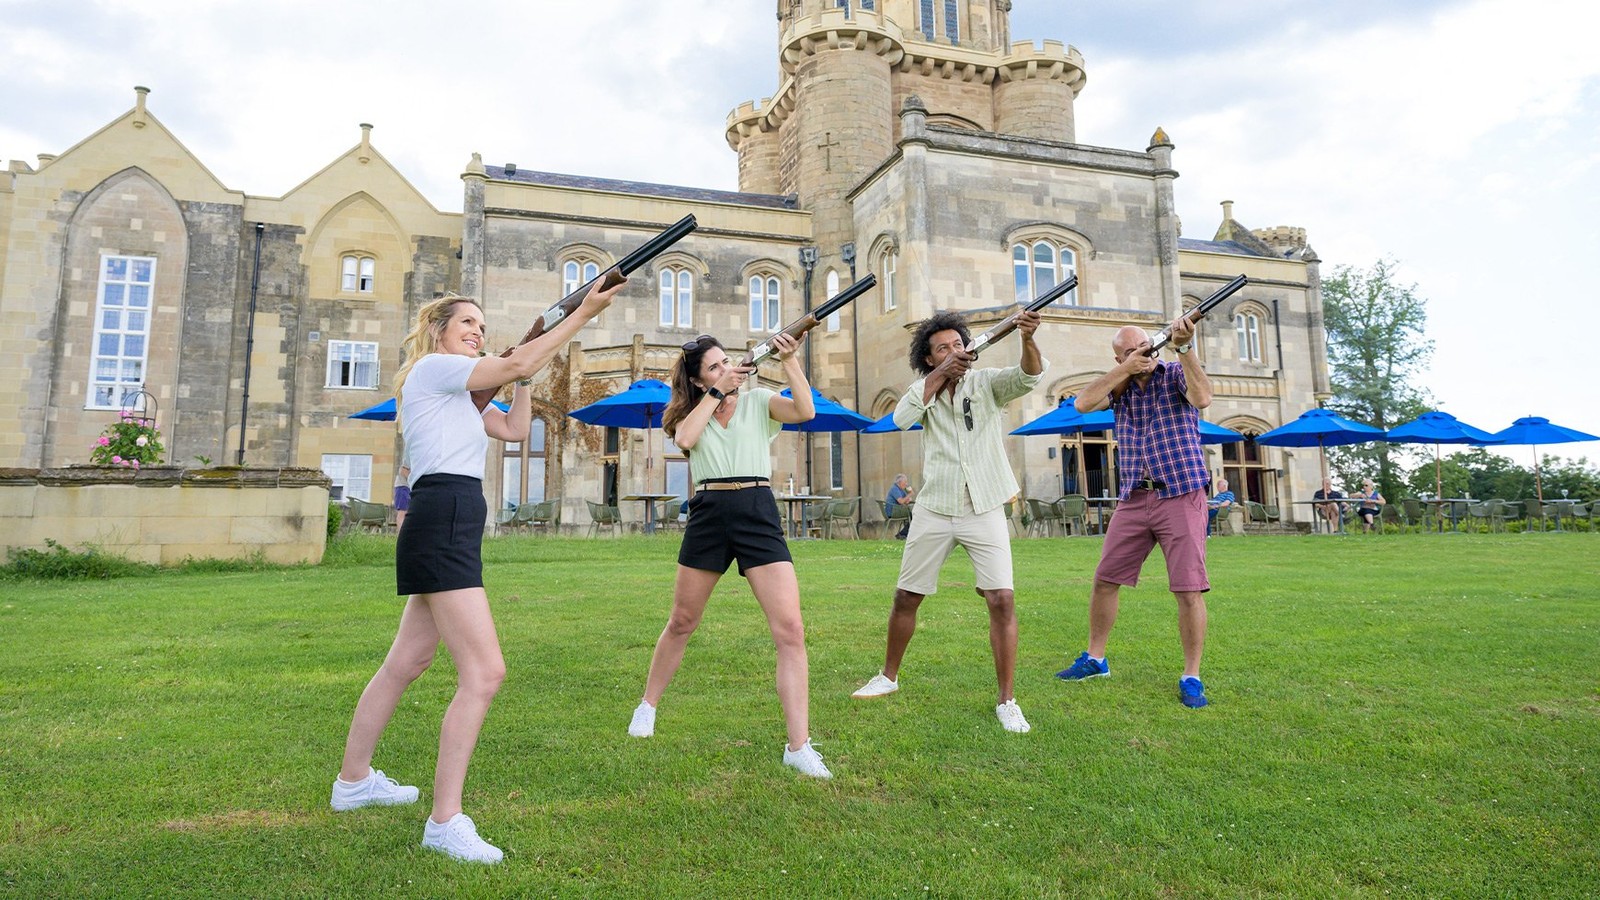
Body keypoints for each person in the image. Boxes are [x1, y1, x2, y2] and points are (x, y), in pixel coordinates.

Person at [330, 282, 623, 864]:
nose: (477, 332)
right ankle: (445, 822)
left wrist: (521, 376)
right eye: (468, 323)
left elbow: (515, 430)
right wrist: (580, 315)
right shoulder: (435, 368)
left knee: (405, 663)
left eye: (483, 328)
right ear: (439, 330)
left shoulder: (457, 395)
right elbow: (515, 359)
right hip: (444, 515)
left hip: (449, 516)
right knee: (485, 672)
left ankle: (353, 782)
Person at [627, 331, 833, 779]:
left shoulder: (760, 402)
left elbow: (805, 410)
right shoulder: (690, 413)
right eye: (714, 367)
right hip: (710, 511)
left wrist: (792, 361)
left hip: (757, 509)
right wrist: (717, 393)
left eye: (727, 362)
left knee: (791, 629)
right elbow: (684, 437)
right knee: (682, 621)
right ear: (700, 382)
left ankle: (798, 746)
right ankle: (648, 705)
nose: (726, 369)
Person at [850, 308, 1047, 734]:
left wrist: (1027, 338)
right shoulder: (923, 388)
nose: (955, 351)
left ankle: (1007, 700)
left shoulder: (986, 381)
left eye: (959, 344)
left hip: (985, 504)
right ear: (928, 358)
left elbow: (1029, 377)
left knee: (1002, 599)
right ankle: (888, 676)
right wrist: (939, 376)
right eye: (943, 348)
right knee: (906, 596)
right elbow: (900, 418)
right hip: (935, 506)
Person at [1055, 315, 1214, 709]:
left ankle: (1191, 676)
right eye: (1129, 351)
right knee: (1105, 578)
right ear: (1118, 357)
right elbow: (1082, 403)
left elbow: (1203, 398)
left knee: (1188, 589)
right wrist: (1124, 369)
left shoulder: (1174, 372)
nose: (1142, 353)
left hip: (1180, 492)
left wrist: (1186, 347)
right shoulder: (1120, 386)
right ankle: (1096, 659)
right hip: (1133, 496)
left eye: (1145, 346)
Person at [885, 473, 915, 539]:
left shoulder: (901, 490)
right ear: (900, 482)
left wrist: (908, 498)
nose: (906, 484)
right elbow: (901, 501)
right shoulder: (895, 489)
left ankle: (903, 534)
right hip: (892, 511)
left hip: (898, 510)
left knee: (913, 514)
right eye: (905, 482)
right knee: (913, 515)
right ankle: (902, 534)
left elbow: (905, 501)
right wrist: (910, 494)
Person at [392, 453, 411, 531]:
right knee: (402, 512)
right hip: (403, 486)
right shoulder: (409, 457)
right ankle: (401, 534)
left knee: (407, 512)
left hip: (409, 488)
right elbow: (403, 471)